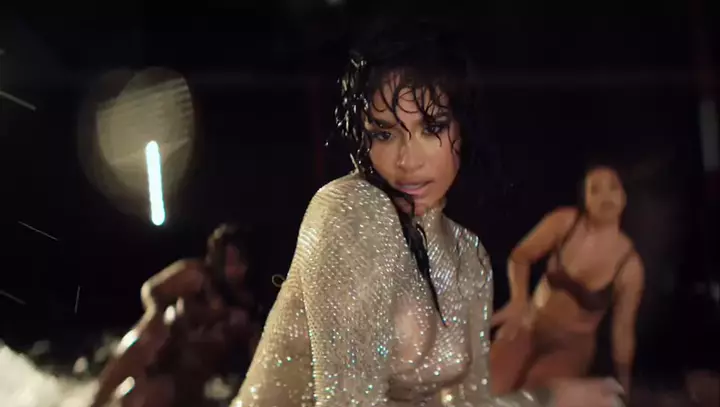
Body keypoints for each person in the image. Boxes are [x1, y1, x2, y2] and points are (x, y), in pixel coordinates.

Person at [233, 19, 624, 407]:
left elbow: (467, 404)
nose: (407, 160)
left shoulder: (469, 256)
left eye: (431, 128)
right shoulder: (351, 210)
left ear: (462, 129)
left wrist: (548, 398)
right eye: (384, 133)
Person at [490, 166, 645, 399]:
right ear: (585, 199)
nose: (605, 196)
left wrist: (625, 382)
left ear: (624, 196)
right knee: (488, 387)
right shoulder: (565, 222)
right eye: (595, 190)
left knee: (532, 398)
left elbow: (623, 330)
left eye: (613, 187)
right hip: (530, 324)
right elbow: (521, 256)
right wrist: (518, 301)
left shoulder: (629, 266)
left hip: (571, 346)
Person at [91, 224, 261, 407]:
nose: (233, 267)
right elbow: (153, 288)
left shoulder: (246, 312)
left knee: (138, 398)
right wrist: (155, 312)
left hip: (185, 379)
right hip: (162, 350)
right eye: (227, 258)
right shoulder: (195, 275)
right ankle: (95, 403)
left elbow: (257, 357)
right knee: (143, 339)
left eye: (237, 260)